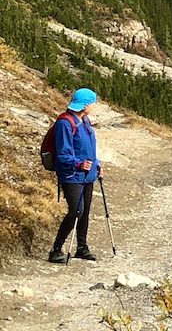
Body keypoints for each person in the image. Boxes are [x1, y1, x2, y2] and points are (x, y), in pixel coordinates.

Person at [49, 88, 102, 264]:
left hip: (87, 174)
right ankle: (56, 249)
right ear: (86, 105)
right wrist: (78, 164)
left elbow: (88, 148)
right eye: (92, 103)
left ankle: (82, 247)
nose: (94, 106)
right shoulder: (65, 123)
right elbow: (62, 154)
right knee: (76, 211)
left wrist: (97, 164)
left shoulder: (84, 120)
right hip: (72, 175)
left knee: (85, 211)